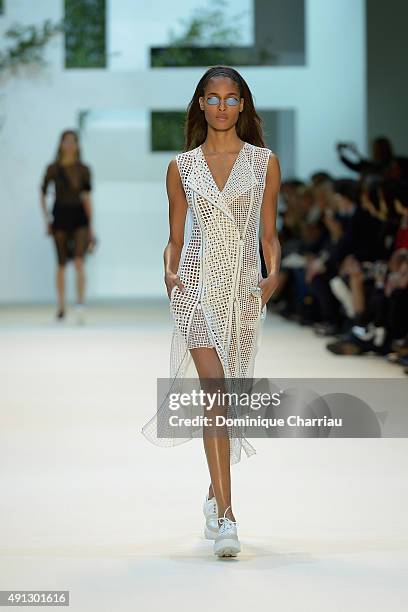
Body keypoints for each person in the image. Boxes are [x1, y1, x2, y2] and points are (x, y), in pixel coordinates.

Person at [142, 65, 281, 557]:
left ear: (242, 105)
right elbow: (176, 238)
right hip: (196, 289)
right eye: (213, 97)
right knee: (216, 394)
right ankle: (227, 517)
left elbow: (267, 233)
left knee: (230, 400)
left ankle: (211, 492)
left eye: (231, 97)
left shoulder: (264, 162)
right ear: (200, 104)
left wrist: (273, 274)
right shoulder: (182, 167)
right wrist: (170, 269)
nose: (222, 106)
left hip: (243, 293)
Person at [40, 130, 95, 322]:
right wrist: (46, 218)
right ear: (61, 144)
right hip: (60, 216)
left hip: (79, 216)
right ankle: (61, 306)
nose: (70, 145)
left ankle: (80, 304)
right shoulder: (52, 169)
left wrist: (91, 227)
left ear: (78, 145)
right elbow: (42, 191)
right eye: (66, 142)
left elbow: (87, 197)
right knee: (61, 263)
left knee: (79, 261)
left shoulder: (83, 169)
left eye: (73, 142)